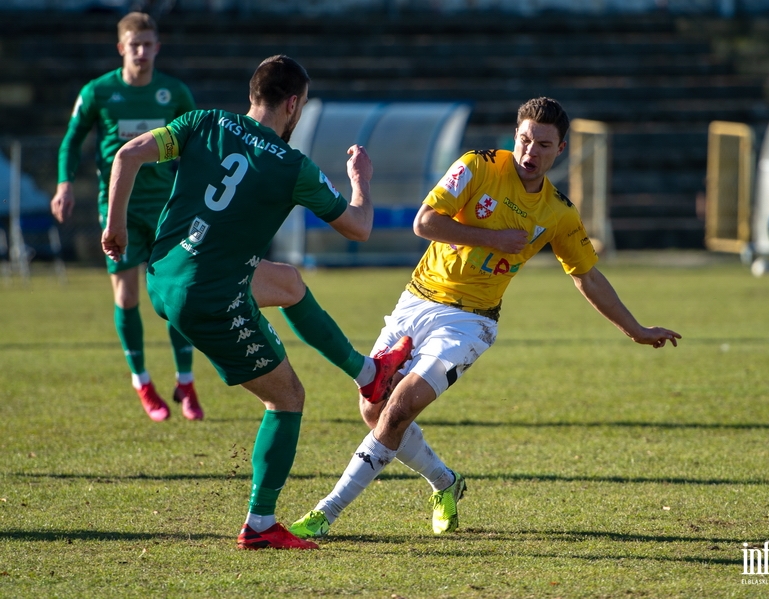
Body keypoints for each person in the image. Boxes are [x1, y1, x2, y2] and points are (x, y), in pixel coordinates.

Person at [290, 97, 682, 540]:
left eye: (543, 145)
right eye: (525, 139)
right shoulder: (477, 166)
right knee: (373, 408)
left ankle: (326, 513)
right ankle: (446, 483)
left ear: (561, 150)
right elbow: (425, 222)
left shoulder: (558, 213)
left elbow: (587, 276)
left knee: (398, 409)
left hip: (470, 322)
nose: (530, 152)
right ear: (515, 136)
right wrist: (494, 238)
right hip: (416, 301)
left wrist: (636, 329)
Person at [101, 55, 410, 550]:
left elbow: (126, 155)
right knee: (286, 399)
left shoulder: (202, 121)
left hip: (163, 275)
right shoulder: (293, 166)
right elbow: (359, 226)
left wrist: (114, 227)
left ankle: (368, 375)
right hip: (209, 297)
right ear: (292, 104)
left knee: (286, 281)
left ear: (253, 94)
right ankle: (261, 524)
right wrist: (361, 179)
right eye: (302, 106)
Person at [52, 12, 203, 421]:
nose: (141, 52)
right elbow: (71, 140)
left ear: (158, 46)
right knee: (128, 296)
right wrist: (65, 184)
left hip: (166, 208)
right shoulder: (99, 92)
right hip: (118, 208)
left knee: (176, 297)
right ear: (121, 48)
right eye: (134, 45)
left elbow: (198, 144)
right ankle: (142, 383)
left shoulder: (174, 92)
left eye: (148, 44)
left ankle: (185, 383)